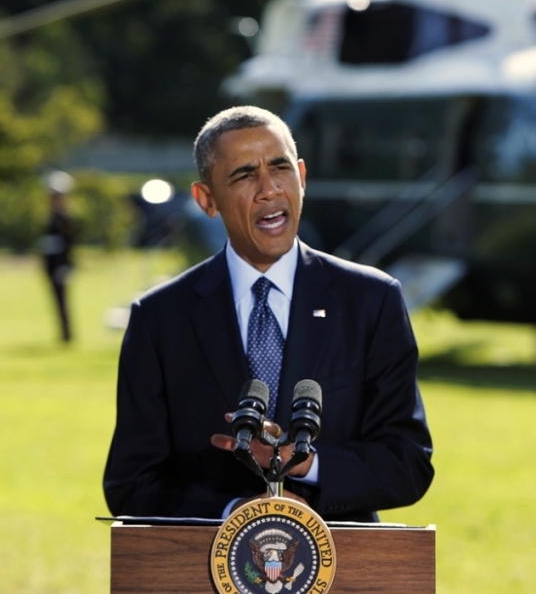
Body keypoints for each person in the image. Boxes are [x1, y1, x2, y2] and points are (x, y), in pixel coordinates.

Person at [103, 106, 434, 522]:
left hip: (344, 572)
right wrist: (235, 515)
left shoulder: (372, 300)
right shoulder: (160, 318)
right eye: (244, 175)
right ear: (207, 199)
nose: (268, 189)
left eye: (280, 169)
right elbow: (131, 483)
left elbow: (408, 462)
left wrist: (306, 463)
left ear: (302, 177)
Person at [41, 180, 76, 343]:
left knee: (63, 301)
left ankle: (67, 334)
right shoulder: (52, 216)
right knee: (56, 301)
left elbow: (69, 243)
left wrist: (65, 265)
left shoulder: (63, 218)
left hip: (60, 265)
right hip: (51, 264)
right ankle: (63, 333)